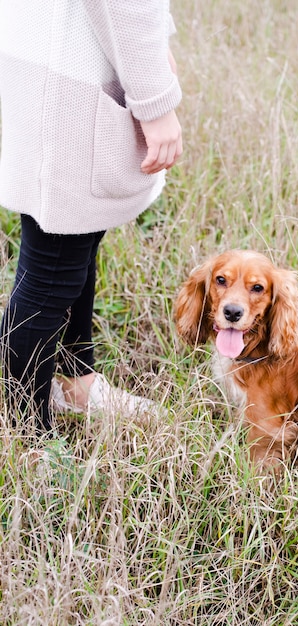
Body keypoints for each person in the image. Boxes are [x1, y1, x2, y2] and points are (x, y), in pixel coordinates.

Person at [0, 1, 182, 435]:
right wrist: (156, 103)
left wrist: (157, 54)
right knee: (52, 273)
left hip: (51, 54)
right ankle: (27, 432)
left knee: (75, 239)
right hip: (71, 71)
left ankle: (75, 382)